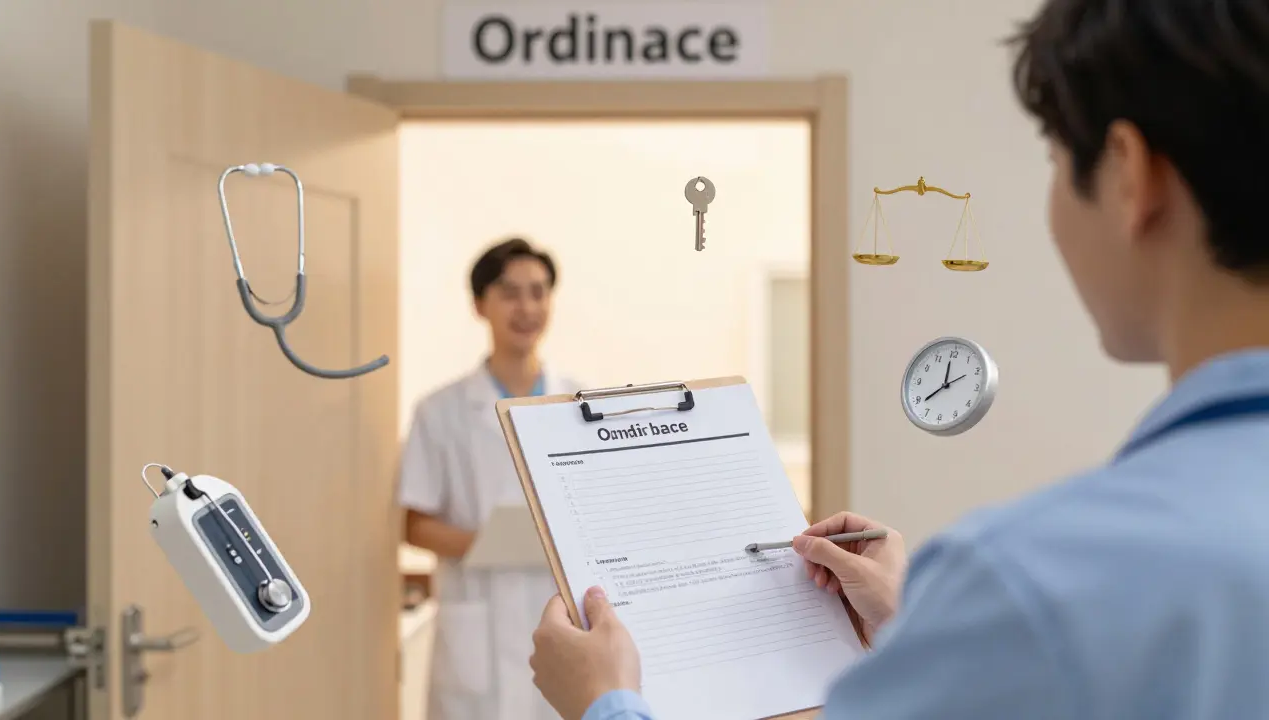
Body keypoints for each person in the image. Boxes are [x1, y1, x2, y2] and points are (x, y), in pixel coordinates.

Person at [527, 0, 1269, 717]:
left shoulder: (1028, 581)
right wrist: (921, 631)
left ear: (1128, 174)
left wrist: (607, 704)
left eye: (1051, 158)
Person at [400, 237, 580, 720]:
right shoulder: (439, 412)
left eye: (539, 292)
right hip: (476, 625)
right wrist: (500, 543)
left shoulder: (582, 406)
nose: (527, 307)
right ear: (480, 304)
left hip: (564, 620)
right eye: (511, 293)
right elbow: (414, 524)